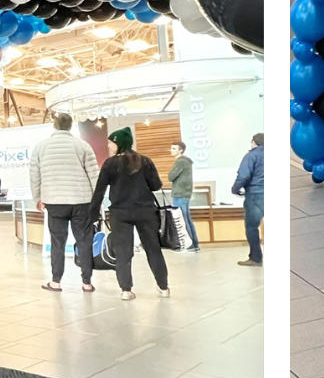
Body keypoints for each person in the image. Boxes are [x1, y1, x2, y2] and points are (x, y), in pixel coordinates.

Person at [89, 130, 169, 300]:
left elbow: (100, 190)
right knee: (153, 249)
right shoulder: (145, 161)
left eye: (111, 142)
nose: (108, 146)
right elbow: (156, 185)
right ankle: (163, 287)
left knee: (123, 251)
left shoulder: (110, 164)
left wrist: (93, 213)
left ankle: (126, 290)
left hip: (120, 213)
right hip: (146, 212)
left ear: (119, 143)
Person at [31, 112, 100, 292]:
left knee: (57, 242)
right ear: (70, 126)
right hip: (81, 200)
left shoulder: (41, 147)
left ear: (54, 125)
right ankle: (86, 282)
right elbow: (94, 175)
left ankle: (56, 281)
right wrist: (97, 201)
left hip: (54, 201)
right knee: (84, 241)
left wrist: (37, 198)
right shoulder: (83, 146)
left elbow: (35, 176)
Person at [233, 132, 264, 267]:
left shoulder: (251, 156)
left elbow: (244, 175)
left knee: (252, 227)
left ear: (254, 142)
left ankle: (256, 258)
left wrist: (235, 189)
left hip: (255, 195)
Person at [167, 140, 199, 250]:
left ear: (181, 150)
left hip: (179, 194)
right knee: (187, 220)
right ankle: (194, 244)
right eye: (171, 148)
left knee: (182, 221)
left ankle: (189, 246)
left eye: (174, 148)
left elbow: (171, 176)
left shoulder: (180, 162)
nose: (171, 150)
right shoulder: (186, 162)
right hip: (185, 194)